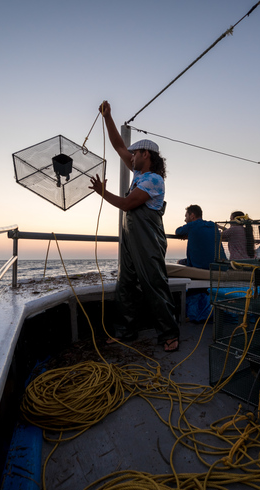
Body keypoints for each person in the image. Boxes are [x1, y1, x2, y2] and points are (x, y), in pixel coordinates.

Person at [88, 100, 180, 352]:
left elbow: (128, 205)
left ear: (145, 155)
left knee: (153, 283)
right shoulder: (139, 174)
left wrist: (102, 192)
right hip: (131, 238)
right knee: (126, 283)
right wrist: (107, 117)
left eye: (135, 154)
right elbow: (118, 145)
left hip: (149, 239)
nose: (131, 157)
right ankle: (126, 332)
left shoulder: (152, 179)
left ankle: (169, 333)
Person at [174, 205, 225, 269]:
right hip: (219, 265)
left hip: (201, 266)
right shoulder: (212, 225)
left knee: (180, 262)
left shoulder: (191, 226)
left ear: (192, 215)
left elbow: (178, 231)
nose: (185, 220)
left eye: (186, 216)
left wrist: (186, 234)